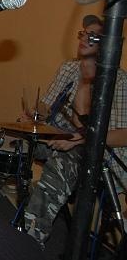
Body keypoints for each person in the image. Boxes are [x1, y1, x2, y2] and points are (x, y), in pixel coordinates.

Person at [23, 14, 127, 247]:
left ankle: (30, 240)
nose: (84, 39)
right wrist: (35, 112)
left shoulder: (119, 81)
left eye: (93, 36)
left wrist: (79, 138)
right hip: (62, 138)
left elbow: (123, 135)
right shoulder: (69, 68)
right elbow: (48, 107)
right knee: (9, 139)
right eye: (83, 34)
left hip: (100, 155)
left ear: (107, 44)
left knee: (63, 161)